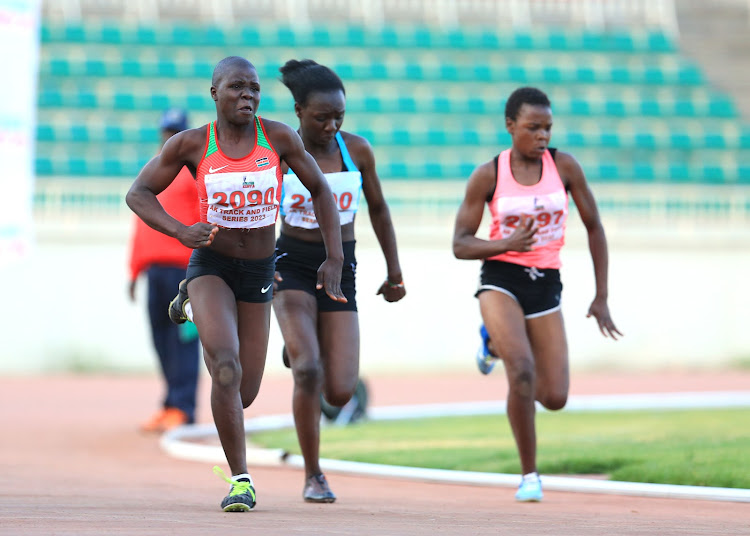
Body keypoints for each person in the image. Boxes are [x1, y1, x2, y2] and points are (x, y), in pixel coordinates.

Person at [125, 56, 346, 513]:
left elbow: (321, 190)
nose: (248, 96)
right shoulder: (191, 145)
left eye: (254, 89)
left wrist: (334, 256)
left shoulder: (279, 137)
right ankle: (241, 480)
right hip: (211, 265)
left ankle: (188, 297)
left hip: (260, 271)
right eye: (237, 88)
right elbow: (138, 193)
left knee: (243, 391)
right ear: (215, 94)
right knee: (223, 365)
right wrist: (180, 231)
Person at [452, 87, 622, 503]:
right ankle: (530, 476)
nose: (542, 135)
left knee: (554, 397)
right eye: (533, 127)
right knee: (522, 370)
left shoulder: (564, 168)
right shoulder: (489, 174)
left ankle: (490, 340)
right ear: (510, 126)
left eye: (547, 127)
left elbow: (595, 227)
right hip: (500, 278)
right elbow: (460, 243)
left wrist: (601, 296)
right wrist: (505, 242)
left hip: (546, 283)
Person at [273, 59, 406, 503]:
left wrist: (394, 270)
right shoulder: (278, 154)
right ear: (298, 111)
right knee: (308, 370)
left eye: (339, 117)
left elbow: (379, 209)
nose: (331, 126)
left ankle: (301, 342)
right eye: (321, 117)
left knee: (340, 389)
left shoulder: (357, 151)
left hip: (341, 268)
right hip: (291, 263)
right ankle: (314, 474)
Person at [127, 108, 201, 433]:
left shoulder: (194, 172)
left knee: (182, 340)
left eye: (175, 132)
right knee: (160, 338)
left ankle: (183, 407)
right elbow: (140, 226)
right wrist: (133, 271)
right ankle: (171, 402)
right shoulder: (154, 171)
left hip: (183, 272)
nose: (169, 138)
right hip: (154, 271)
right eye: (166, 132)